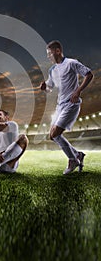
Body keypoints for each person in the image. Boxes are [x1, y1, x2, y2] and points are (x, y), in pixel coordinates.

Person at [40, 40, 93, 174]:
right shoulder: (52, 70)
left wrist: (78, 90)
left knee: (56, 133)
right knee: (52, 135)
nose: (48, 57)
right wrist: (44, 88)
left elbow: (89, 74)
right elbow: (50, 88)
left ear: (58, 51)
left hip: (71, 104)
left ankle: (73, 159)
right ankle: (77, 155)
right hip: (60, 105)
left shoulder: (71, 63)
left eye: (49, 54)